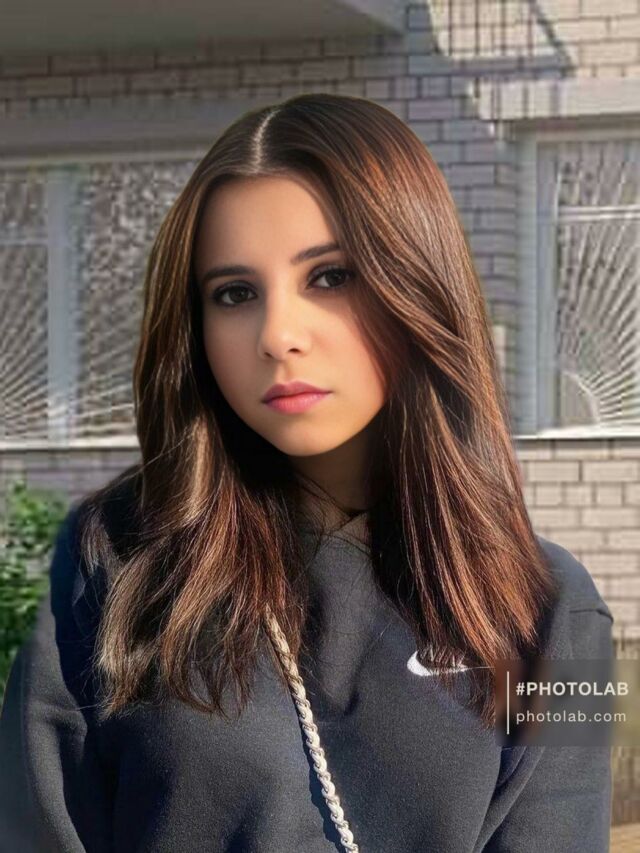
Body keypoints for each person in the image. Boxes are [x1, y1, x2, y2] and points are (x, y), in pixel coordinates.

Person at [0, 93, 614, 853]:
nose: (278, 334)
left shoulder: (555, 609)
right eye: (234, 294)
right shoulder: (112, 564)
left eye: (329, 277)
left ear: (417, 285)